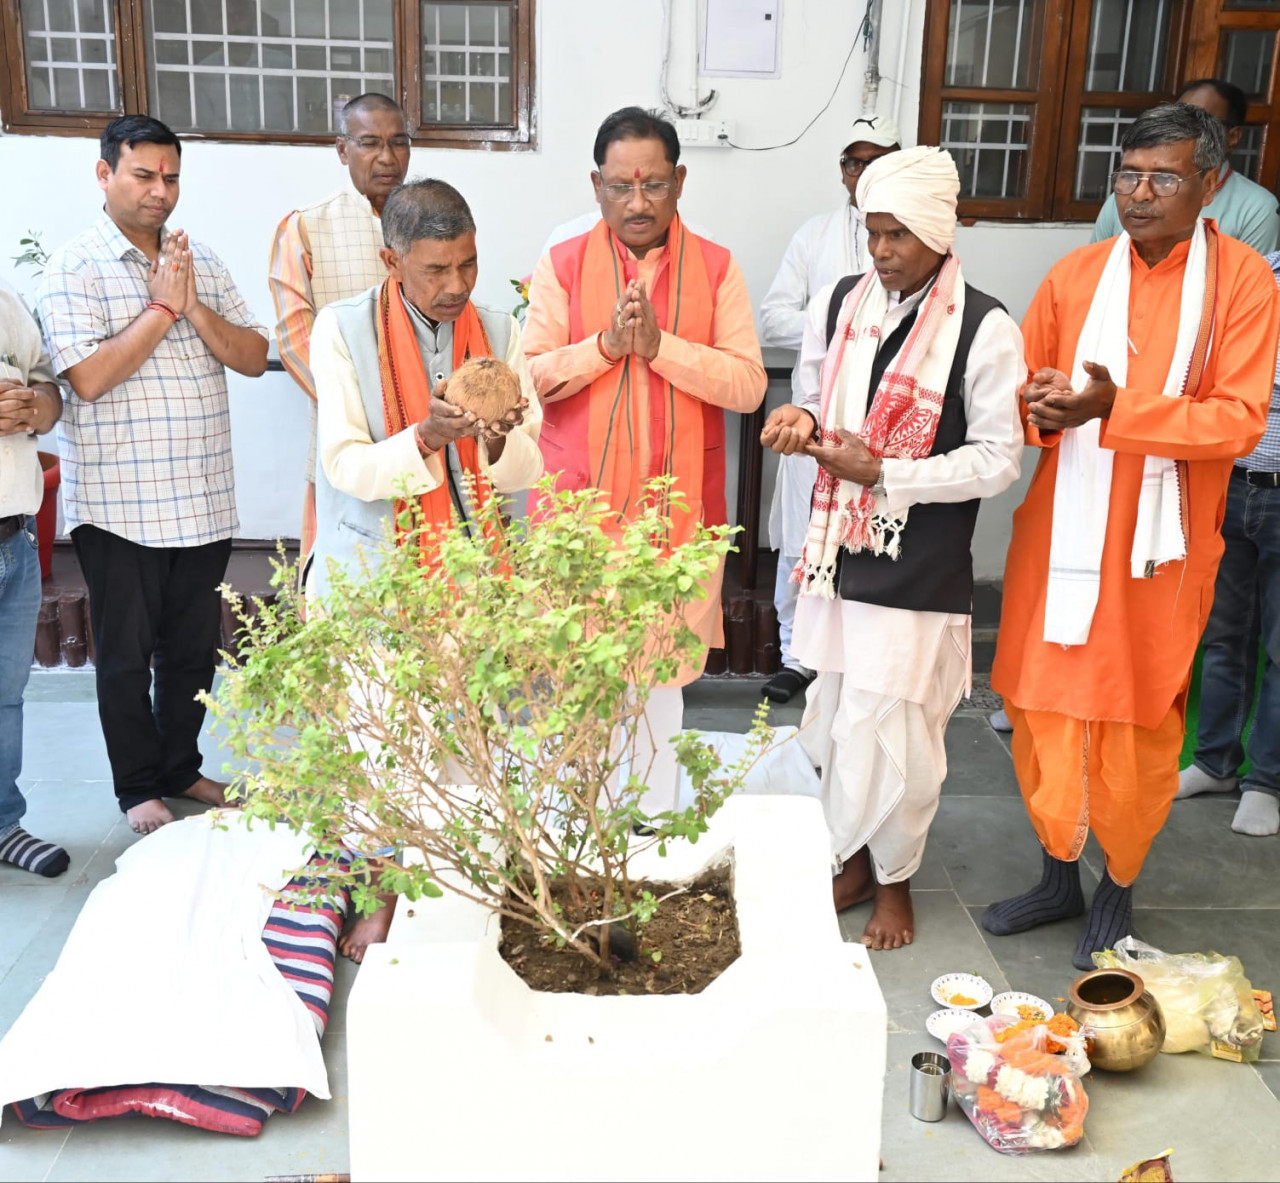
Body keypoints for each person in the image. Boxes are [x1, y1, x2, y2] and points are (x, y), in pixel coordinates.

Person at [984, 104, 1280, 970]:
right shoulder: (1076, 275)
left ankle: (1115, 890)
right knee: (1041, 708)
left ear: (1210, 184)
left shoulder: (1244, 284)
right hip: (1060, 536)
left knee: (1135, 723)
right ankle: (1055, 877)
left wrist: (1116, 407)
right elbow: (1021, 403)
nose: (1139, 194)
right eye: (1127, 175)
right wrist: (1043, 410)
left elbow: (1235, 419)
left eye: (1162, 178)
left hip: (1159, 548)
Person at [761, 147, 1024, 950]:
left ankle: (897, 881)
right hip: (840, 553)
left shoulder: (984, 325)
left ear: (939, 235)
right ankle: (848, 858)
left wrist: (888, 472)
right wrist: (803, 421)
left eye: (896, 236)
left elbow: (998, 458)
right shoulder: (843, 300)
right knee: (839, 713)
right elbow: (812, 388)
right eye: (872, 233)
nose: (879, 252)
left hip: (918, 562)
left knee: (899, 728)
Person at [308, 178, 544, 959]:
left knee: (468, 741)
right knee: (382, 744)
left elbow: (527, 463)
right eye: (435, 270)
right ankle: (378, 893)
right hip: (374, 569)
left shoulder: (503, 326)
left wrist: (500, 438)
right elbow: (343, 465)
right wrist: (426, 439)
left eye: (468, 265)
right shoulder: (340, 330)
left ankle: (451, 882)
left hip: (475, 570)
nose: (455, 287)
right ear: (390, 259)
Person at [521, 106, 767, 820]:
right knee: (578, 687)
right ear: (596, 185)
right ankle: (579, 831)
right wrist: (605, 345)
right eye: (622, 186)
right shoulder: (561, 263)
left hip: (676, 524)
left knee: (660, 691)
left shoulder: (717, 267)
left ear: (680, 181)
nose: (638, 203)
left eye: (654, 185)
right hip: (579, 524)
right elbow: (531, 376)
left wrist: (663, 348)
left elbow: (748, 384)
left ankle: (647, 836)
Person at [36, 115, 269, 837]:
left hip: (201, 497)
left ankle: (181, 767)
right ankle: (137, 786)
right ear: (105, 175)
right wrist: (164, 308)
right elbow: (89, 377)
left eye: (171, 177)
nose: (160, 191)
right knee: (126, 656)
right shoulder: (74, 267)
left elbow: (255, 354)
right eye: (143, 175)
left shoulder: (197, 260)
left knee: (192, 653)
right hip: (121, 505)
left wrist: (192, 300)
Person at [758, 112, 902, 704]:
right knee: (801, 535)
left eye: (875, 159)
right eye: (852, 160)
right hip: (814, 414)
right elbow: (772, 317)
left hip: (888, 422)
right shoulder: (813, 235)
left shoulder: (918, 236)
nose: (861, 171)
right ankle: (797, 655)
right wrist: (845, 320)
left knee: (869, 536)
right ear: (841, 170)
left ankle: (858, 656)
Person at [268, 93, 412, 566]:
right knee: (345, 578)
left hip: (425, 433)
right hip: (344, 436)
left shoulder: (430, 220)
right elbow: (294, 340)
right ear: (341, 149)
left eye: (398, 143)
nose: (387, 158)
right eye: (370, 143)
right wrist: (362, 408)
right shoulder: (306, 227)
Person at [1174, 247, 1280, 837]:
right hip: (1233, 481)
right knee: (1223, 634)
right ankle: (1214, 762)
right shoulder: (1254, 275)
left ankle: (1266, 781)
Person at [0, 281, 68, 877]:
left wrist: (39, 406)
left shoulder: (7, 299)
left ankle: (2, 823)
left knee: (5, 696)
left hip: (12, 538)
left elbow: (48, 381)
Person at [1092, 79, 1279, 255]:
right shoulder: (1127, 195)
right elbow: (1095, 268)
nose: (1141, 195)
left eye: (1202, 121)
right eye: (1177, 117)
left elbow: (1255, 281)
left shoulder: (1257, 209)